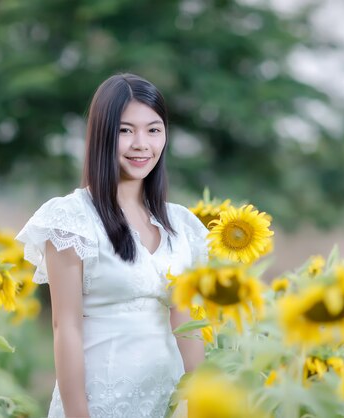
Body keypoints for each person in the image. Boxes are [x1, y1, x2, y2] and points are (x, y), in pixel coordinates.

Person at [15, 73, 208, 418]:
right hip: (101, 400)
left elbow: (187, 324)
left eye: (153, 129)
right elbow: (66, 327)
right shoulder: (71, 219)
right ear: (101, 135)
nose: (141, 144)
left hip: (169, 399)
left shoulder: (181, 225)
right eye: (125, 130)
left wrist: (207, 403)